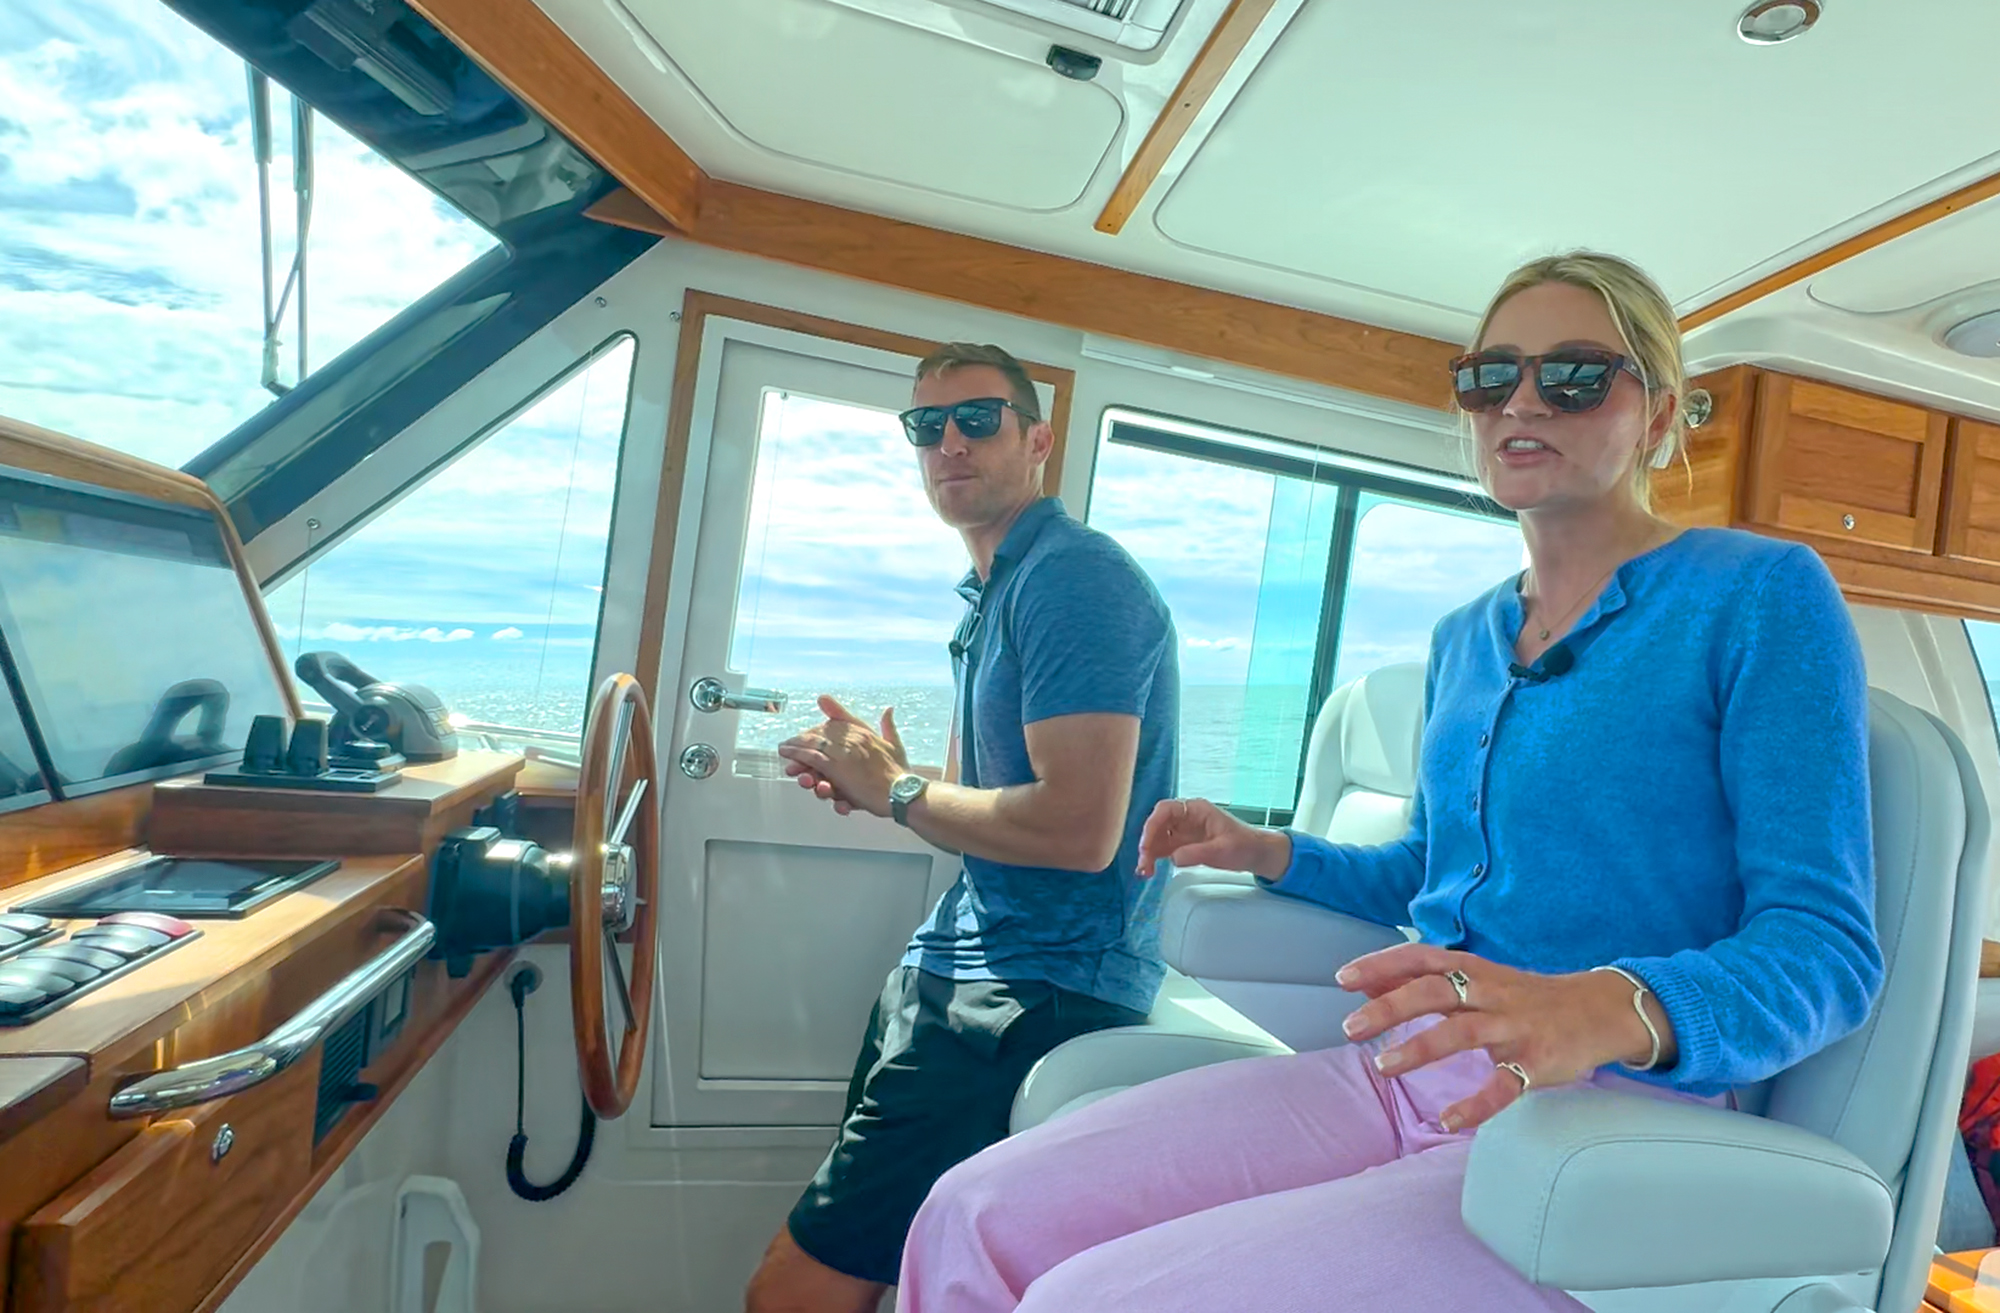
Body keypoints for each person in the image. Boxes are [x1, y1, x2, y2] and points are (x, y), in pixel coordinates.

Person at [894, 253, 1886, 1312]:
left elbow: (1822, 950)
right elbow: (1431, 872)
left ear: (1654, 413)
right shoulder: (1465, 637)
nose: (1519, 400)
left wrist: (1601, 1006)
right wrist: (1269, 849)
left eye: (1574, 376)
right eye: (1487, 375)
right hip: (1403, 1065)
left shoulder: (1757, 595)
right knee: (970, 1209)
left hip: (1594, 1118)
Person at [743, 343, 1180, 1312]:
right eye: (924, 425)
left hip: (1035, 987)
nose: (947, 441)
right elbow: (1006, 802)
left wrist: (899, 791)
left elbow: (1076, 828)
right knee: (889, 1269)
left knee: (790, 1289)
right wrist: (882, 782)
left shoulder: (1073, 579)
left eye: (975, 418)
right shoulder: (996, 593)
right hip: (962, 964)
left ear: (1037, 439)